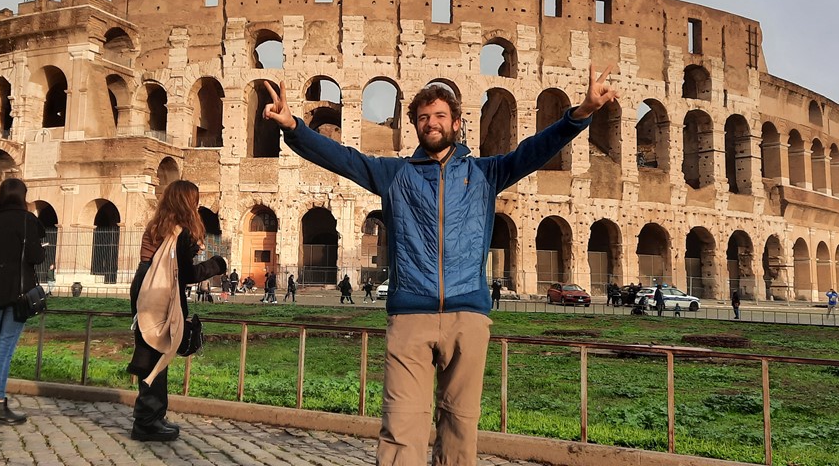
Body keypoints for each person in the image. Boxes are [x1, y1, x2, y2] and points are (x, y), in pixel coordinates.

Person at [261, 63, 619, 464]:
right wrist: (293, 126)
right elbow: (343, 159)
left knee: (460, 428)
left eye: (439, 116)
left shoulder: (486, 173)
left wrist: (581, 113)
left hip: (467, 316)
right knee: (401, 428)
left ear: (457, 123)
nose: (431, 123)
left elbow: (535, 150)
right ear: (415, 124)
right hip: (410, 317)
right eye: (423, 117)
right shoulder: (394, 174)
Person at [128, 179, 226, 442]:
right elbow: (185, 273)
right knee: (159, 352)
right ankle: (147, 421)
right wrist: (216, 265)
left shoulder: (157, 225)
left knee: (149, 348)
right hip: (161, 290)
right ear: (187, 201)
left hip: (143, 284)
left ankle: (150, 416)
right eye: (194, 199)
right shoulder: (179, 232)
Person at [0, 178, 45, 426]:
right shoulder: (27, 221)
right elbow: (37, 257)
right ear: (22, 196)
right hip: (19, 291)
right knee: (5, 347)